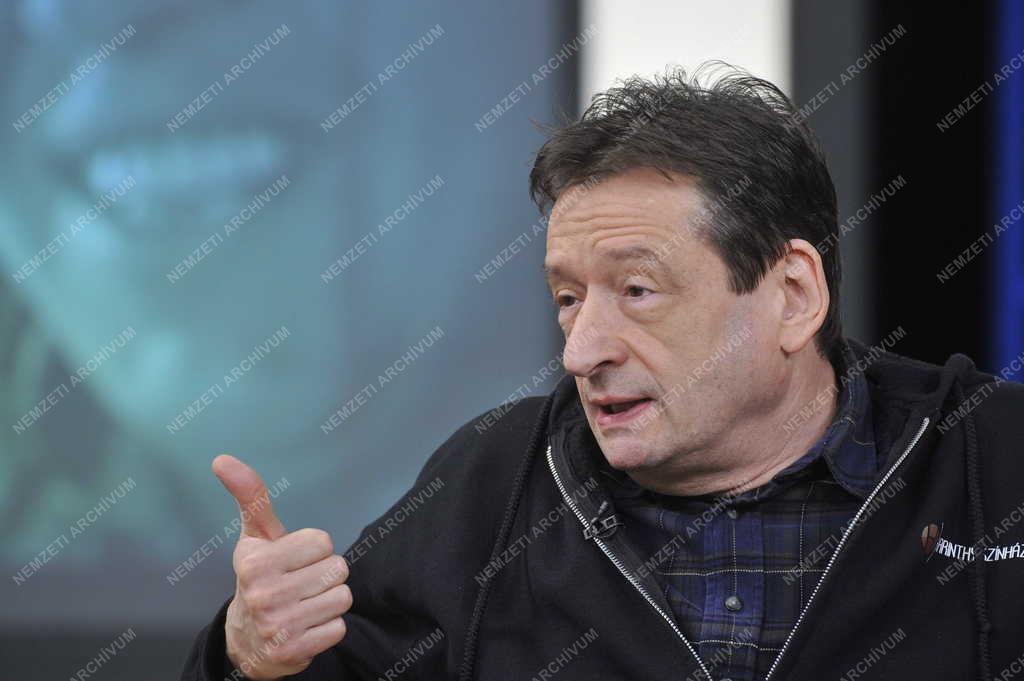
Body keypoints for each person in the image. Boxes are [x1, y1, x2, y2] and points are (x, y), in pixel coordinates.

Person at [180, 66, 1024, 681]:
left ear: (793, 296)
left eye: (637, 290)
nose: (581, 351)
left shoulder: (994, 457)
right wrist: (245, 655)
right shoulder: (490, 485)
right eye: (567, 298)